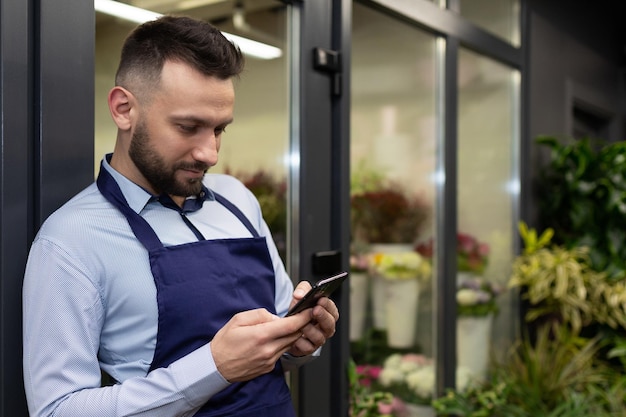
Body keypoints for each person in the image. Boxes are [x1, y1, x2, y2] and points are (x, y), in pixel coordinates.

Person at [22, 15, 339, 417]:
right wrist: (213, 368)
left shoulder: (237, 200)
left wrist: (297, 343)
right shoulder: (71, 240)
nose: (211, 153)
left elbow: (277, 347)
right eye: (189, 127)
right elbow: (56, 409)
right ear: (123, 109)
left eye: (220, 129)